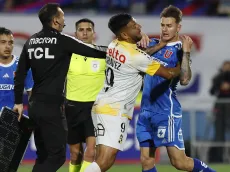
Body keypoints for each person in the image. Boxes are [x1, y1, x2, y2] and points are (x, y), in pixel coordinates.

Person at [13, 3, 107, 172]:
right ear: (55, 20)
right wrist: (118, 50)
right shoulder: (62, 40)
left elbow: (20, 74)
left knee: (43, 156)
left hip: (34, 105)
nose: (65, 21)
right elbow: (93, 51)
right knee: (57, 157)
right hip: (53, 107)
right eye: (62, 17)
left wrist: (19, 102)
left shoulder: (31, 41)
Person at [85, 13, 182, 172]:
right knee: (104, 161)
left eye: (136, 24)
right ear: (124, 34)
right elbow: (169, 74)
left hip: (102, 105)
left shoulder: (114, 45)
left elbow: (141, 54)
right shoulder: (136, 57)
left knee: (102, 160)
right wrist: (182, 60)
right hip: (114, 110)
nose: (140, 27)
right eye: (134, 26)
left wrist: (159, 44)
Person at [136, 5, 216, 172]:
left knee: (179, 162)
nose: (165, 29)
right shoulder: (152, 44)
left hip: (166, 112)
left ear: (178, 27)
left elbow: (185, 79)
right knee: (146, 161)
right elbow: (136, 58)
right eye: (163, 25)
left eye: (169, 25)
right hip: (145, 112)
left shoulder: (179, 51)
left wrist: (186, 53)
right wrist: (142, 36)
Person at [65, 18, 106, 172]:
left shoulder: (103, 54)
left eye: (88, 29)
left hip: (94, 109)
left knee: (91, 151)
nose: (84, 33)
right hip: (72, 108)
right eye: (81, 30)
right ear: (75, 33)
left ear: (93, 33)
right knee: (75, 154)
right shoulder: (68, 56)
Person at [0, 27, 33, 111]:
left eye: (10, 43)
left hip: (13, 120)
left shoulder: (23, 65)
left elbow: (32, 95)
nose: (7, 46)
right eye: (3, 42)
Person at [209, 60, 230, 162]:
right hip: (220, 107)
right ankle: (219, 158)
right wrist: (219, 85)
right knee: (219, 133)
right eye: (225, 66)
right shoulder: (218, 77)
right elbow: (212, 91)